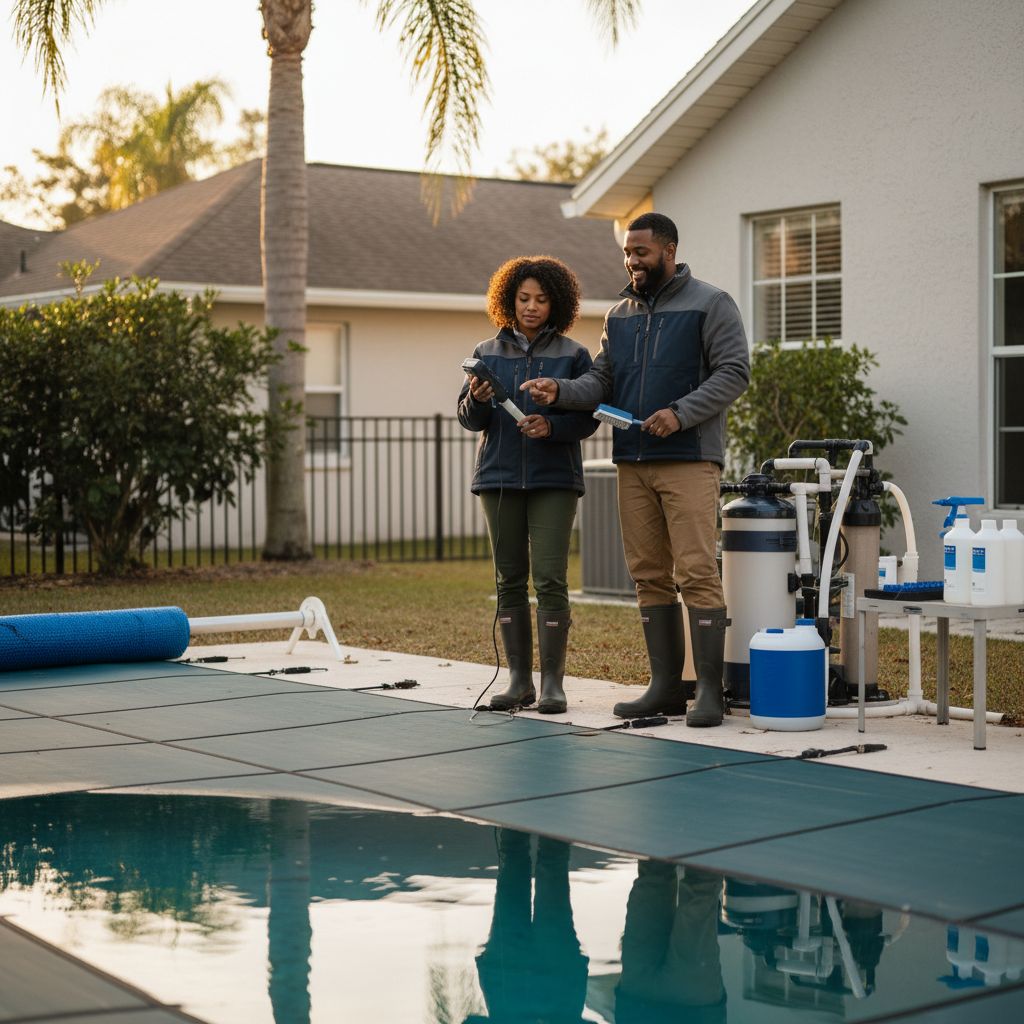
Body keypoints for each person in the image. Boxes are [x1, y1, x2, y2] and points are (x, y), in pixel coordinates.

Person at [520, 213, 750, 727]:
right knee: (648, 576)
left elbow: (735, 372)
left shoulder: (710, 304)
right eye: (627, 253)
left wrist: (680, 412)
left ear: (669, 250)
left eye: (641, 252)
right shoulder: (619, 315)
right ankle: (666, 688)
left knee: (695, 571)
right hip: (634, 461)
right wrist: (561, 391)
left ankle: (710, 691)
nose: (632, 261)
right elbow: (603, 379)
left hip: (689, 459)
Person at [458, 256, 599, 714]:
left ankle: (553, 685)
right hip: (498, 478)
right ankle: (519, 681)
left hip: (554, 479)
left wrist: (551, 427)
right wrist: (478, 400)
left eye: (541, 299)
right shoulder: (485, 352)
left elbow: (586, 418)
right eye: (523, 298)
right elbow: (468, 418)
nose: (532, 307)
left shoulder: (574, 355)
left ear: (556, 302)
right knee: (509, 580)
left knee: (551, 579)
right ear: (509, 301)